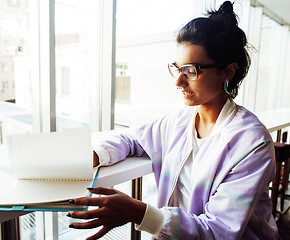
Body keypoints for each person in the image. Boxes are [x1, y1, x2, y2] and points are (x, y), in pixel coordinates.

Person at [66, 1, 278, 239]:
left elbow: (220, 231)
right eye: (177, 68)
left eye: (191, 70)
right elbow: (133, 139)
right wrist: (99, 154)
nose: (178, 81)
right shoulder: (179, 122)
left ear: (228, 72)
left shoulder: (252, 143)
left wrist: (140, 213)